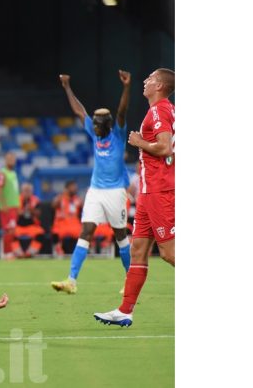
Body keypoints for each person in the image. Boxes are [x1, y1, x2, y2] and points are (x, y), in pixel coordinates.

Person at [94, 68, 175, 327]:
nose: (145, 81)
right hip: (148, 192)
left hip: (160, 191)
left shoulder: (159, 110)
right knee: (138, 250)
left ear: (160, 85)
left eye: (150, 79)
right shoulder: (162, 110)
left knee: (169, 252)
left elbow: (165, 147)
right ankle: (125, 310)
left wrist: (139, 143)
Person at [51, 71, 133, 294]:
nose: (93, 127)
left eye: (97, 125)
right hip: (96, 191)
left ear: (106, 125)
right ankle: (71, 280)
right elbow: (79, 111)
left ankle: (130, 280)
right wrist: (67, 86)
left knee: (120, 236)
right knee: (85, 231)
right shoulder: (95, 135)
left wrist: (126, 87)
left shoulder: (117, 135)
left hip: (116, 192)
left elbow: (122, 111)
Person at [11, 183, 46, 258]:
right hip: (19, 226)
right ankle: (19, 253)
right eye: (25, 191)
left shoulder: (35, 200)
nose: (27, 193)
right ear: (22, 191)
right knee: (11, 233)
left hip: (32, 226)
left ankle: (30, 253)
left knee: (40, 233)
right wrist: (23, 210)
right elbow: (15, 213)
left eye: (29, 191)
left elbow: (39, 213)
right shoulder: (17, 200)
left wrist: (31, 210)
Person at [50, 180, 83, 258]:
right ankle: (58, 249)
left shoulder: (77, 199)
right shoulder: (60, 198)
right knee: (57, 231)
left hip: (74, 225)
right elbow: (53, 205)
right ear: (67, 188)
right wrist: (62, 196)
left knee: (82, 232)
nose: (75, 189)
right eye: (72, 187)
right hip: (62, 224)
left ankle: (79, 252)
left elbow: (84, 209)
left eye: (75, 187)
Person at [0, 151, 20, 256]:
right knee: (8, 230)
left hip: (14, 206)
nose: (12, 161)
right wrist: (4, 204)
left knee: (12, 230)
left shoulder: (13, 173)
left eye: (13, 159)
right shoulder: (3, 173)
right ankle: (7, 252)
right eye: (9, 159)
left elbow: (15, 191)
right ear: (5, 160)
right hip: (7, 207)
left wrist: (18, 205)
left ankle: (9, 251)